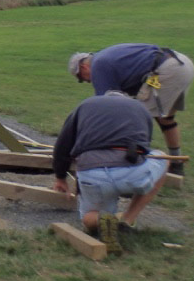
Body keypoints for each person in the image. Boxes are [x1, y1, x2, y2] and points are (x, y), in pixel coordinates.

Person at [52, 92, 168, 254]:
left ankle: (103, 220)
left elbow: (63, 144)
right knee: (162, 157)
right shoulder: (139, 108)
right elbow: (144, 148)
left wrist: (60, 177)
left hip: (92, 173)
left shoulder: (85, 105)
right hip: (131, 172)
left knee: (89, 217)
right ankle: (127, 220)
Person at [68, 43, 194, 175]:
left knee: (136, 118)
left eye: (81, 78)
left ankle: (136, 166)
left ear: (83, 67)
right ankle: (176, 163)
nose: (87, 81)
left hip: (166, 70)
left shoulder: (98, 66)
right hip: (182, 64)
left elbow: (105, 106)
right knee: (165, 120)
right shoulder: (105, 56)